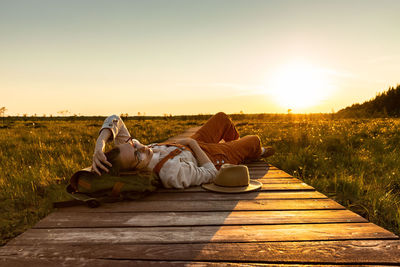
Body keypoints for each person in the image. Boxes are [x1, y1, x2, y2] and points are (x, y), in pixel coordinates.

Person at [92, 112, 274, 189]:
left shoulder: (136, 153)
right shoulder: (170, 173)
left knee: (222, 118)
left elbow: (115, 119)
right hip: (210, 156)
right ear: (135, 171)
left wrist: (100, 144)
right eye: (137, 154)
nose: (141, 147)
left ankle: (238, 152)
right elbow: (209, 173)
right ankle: (251, 152)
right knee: (254, 140)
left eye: (134, 145)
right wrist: (192, 144)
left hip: (189, 144)